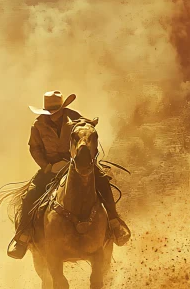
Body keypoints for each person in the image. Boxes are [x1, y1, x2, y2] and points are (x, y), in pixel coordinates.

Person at [7, 91, 131, 259]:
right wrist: (47, 166)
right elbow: (34, 148)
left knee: (102, 182)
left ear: (62, 108)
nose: (54, 115)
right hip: (50, 169)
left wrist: (75, 158)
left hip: (77, 164)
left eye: (56, 111)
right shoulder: (37, 125)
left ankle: (115, 224)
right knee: (30, 195)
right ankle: (23, 236)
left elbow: (86, 131)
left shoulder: (75, 119)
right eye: (50, 112)